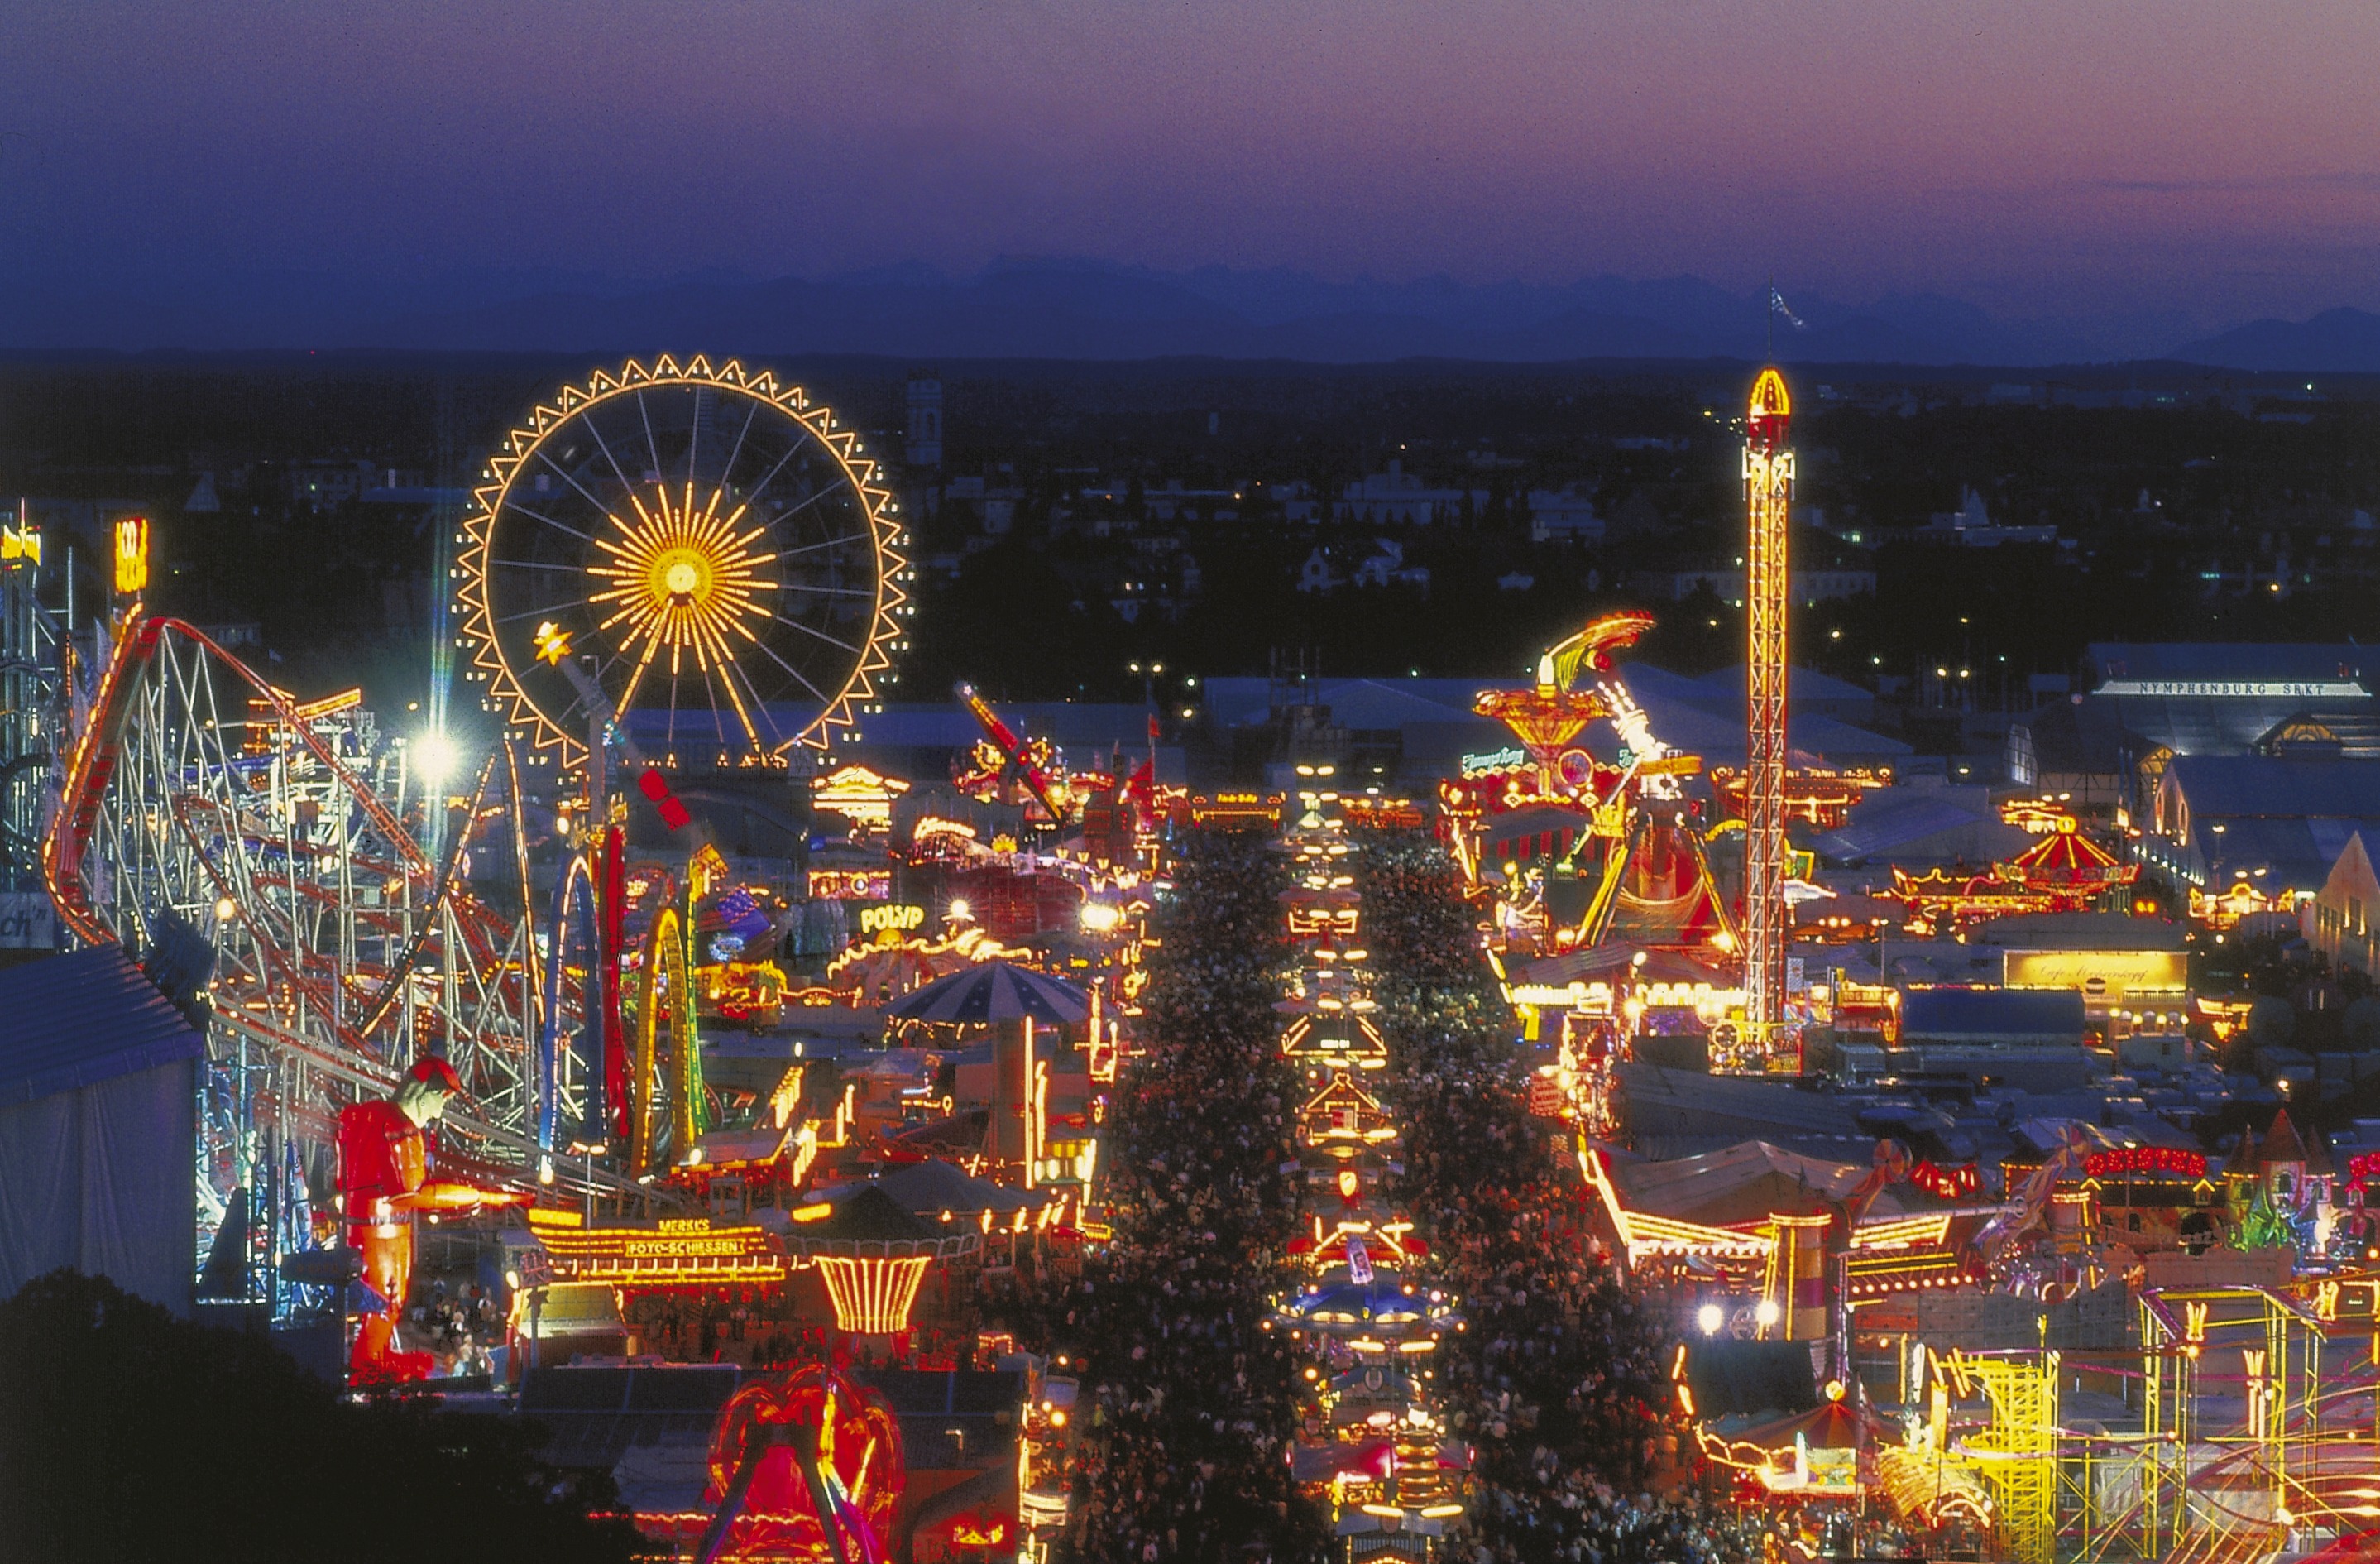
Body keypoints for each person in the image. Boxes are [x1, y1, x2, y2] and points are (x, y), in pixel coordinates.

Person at [334, 1054, 465, 1382]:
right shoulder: (402, 1130)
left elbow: (341, 1179)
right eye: (440, 1102)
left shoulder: (359, 1116)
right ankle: (368, 1364)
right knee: (387, 1299)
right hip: (386, 1235)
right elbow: (409, 1194)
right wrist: (476, 1196)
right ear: (424, 1093)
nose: (438, 1114)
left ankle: (374, 1355)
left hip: (359, 1228)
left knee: (379, 1301)